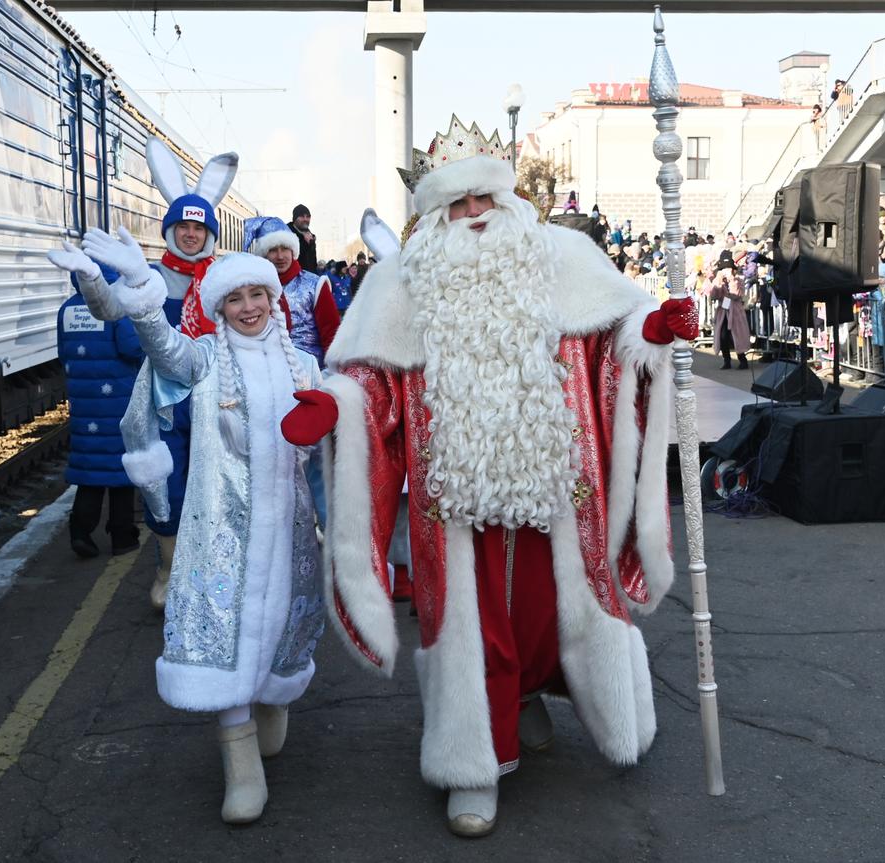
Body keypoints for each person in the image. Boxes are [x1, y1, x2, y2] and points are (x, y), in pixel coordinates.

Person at [281, 117, 693, 836]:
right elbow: (372, 381)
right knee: (477, 627)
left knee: (543, 613)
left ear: (508, 201)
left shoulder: (564, 256)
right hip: (456, 500)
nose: (472, 217)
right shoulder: (402, 282)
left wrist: (652, 334)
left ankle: (532, 698)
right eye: (455, 205)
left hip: (554, 486)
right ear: (435, 216)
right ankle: (477, 761)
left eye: (483, 201)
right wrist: (337, 405)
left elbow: (613, 349)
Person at [56, 244, 326, 825]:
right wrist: (147, 300)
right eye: (236, 298)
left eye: (258, 294)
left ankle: (274, 699)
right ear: (220, 306)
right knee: (218, 633)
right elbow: (163, 350)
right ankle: (240, 763)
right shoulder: (202, 361)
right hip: (220, 532)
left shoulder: (303, 365)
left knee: (284, 626)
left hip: (290, 531)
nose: (249, 306)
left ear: (273, 298)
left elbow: (327, 440)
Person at [51, 138, 239, 610]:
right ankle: (169, 569)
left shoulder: (226, 276)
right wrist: (93, 279)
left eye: (199, 228)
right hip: (163, 403)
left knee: (218, 489)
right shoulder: (147, 274)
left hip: (217, 399)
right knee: (168, 491)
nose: (191, 235)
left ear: (210, 233)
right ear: (170, 230)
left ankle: (219, 574)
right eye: (183, 226)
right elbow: (110, 310)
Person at [57, 264, 143, 558]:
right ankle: (122, 536)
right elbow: (133, 349)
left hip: (85, 404)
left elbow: (62, 353)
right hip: (118, 401)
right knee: (122, 471)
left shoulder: (67, 309)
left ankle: (80, 530)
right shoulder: (115, 306)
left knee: (89, 470)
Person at [246, 215, 340, 366]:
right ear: (264, 254)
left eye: (285, 249)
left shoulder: (315, 285)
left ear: (293, 251)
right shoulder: (253, 288)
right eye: (273, 250)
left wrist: (333, 372)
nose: (280, 256)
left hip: (313, 375)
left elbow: (332, 333)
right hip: (269, 372)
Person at [711, 251, 750, 369]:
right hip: (723, 311)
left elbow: (737, 294)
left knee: (737, 336)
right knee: (723, 336)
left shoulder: (738, 280)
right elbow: (714, 296)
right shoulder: (718, 281)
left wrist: (731, 281)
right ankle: (726, 360)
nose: (726, 270)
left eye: (728, 268)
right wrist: (718, 282)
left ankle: (742, 360)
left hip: (736, 312)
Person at [288, 203, 319, 273]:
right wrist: (304, 243)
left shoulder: (311, 237)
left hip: (308, 279)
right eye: (302, 216)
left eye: (308, 216)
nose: (305, 219)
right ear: (295, 218)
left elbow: (313, 263)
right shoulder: (287, 233)